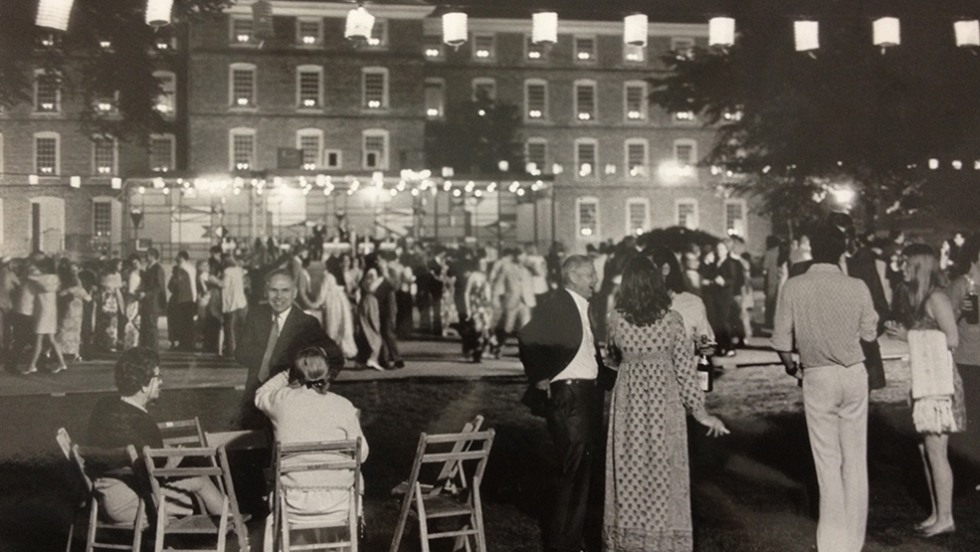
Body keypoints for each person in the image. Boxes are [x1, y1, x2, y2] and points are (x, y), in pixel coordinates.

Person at [603, 255, 728, 552]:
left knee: (629, 469)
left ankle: (629, 541)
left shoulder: (616, 319)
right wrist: (701, 413)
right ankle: (662, 540)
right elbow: (685, 371)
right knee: (662, 471)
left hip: (629, 407)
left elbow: (612, 357)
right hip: (664, 404)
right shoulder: (673, 321)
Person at [772, 224, 878, 552]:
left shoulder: (794, 286)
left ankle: (833, 544)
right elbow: (870, 334)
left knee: (827, 461)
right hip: (853, 374)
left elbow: (780, 340)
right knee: (855, 458)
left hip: (817, 374)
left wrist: (792, 366)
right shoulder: (856, 285)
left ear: (812, 250)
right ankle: (853, 542)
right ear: (842, 250)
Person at [517, 255, 604, 552]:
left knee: (581, 469)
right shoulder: (558, 303)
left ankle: (570, 540)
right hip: (570, 397)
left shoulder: (580, 305)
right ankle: (563, 544)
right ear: (574, 277)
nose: (595, 280)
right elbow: (527, 337)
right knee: (574, 469)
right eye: (590, 275)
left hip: (585, 394)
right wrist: (539, 375)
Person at [86, 347, 226, 524]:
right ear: (143, 385)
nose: (161, 382)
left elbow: (129, 450)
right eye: (157, 377)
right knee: (200, 482)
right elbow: (156, 476)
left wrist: (160, 452)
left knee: (193, 483)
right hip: (133, 504)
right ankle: (238, 533)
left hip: (103, 498)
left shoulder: (104, 406)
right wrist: (173, 461)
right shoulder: (143, 422)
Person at [885, 244, 964, 537]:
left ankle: (946, 518)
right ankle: (937, 513)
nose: (901, 268)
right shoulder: (920, 299)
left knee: (936, 452)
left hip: (940, 387)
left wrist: (910, 335)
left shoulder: (937, 297)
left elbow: (953, 339)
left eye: (906, 264)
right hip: (925, 381)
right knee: (925, 451)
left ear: (920, 266)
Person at [254, 347, 368, 525]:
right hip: (339, 503)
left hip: (292, 504)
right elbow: (362, 454)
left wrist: (286, 374)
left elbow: (260, 394)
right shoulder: (343, 406)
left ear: (296, 374)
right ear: (328, 374)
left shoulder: (281, 401)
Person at [236, 269, 340, 428]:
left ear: (295, 293)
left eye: (285, 290)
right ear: (266, 292)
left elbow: (336, 356)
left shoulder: (306, 323)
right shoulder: (256, 316)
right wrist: (267, 354)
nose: (279, 296)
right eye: (273, 290)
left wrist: (319, 383)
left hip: (288, 400)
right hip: (254, 396)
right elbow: (240, 354)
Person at [949, 234, 980, 477]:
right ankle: (971, 469)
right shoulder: (961, 285)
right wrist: (961, 310)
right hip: (967, 360)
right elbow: (946, 321)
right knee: (971, 416)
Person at [25, 258, 69, 374]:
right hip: (51, 310)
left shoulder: (42, 277)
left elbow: (29, 276)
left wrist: (31, 265)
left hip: (43, 311)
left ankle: (32, 365)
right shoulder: (55, 278)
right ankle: (62, 363)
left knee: (39, 339)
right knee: (51, 339)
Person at [56, 261, 92, 362]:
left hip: (74, 309)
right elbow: (86, 296)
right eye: (72, 270)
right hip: (73, 309)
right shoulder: (74, 284)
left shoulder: (68, 283)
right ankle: (70, 351)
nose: (74, 272)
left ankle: (66, 351)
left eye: (76, 270)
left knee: (67, 329)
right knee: (70, 330)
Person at [220, 253, 248, 358]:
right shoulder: (238, 270)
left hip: (232, 303)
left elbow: (224, 284)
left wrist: (213, 279)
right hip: (241, 302)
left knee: (230, 328)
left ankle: (231, 350)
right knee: (239, 328)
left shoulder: (227, 271)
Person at [139, 248, 167, 351]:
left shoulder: (158, 269)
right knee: (146, 326)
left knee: (151, 327)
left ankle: (154, 350)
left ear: (153, 256)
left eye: (147, 255)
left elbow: (158, 287)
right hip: (148, 303)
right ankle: (147, 349)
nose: (145, 257)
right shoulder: (149, 268)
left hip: (153, 303)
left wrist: (146, 294)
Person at [98, 259, 125, 352]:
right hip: (108, 300)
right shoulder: (107, 275)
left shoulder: (117, 275)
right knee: (106, 322)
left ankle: (110, 343)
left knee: (112, 322)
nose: (121, 266)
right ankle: (106, 342)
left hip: (112, 300)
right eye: (120, 264)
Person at [121, 255, 142, 350]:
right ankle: (130, 345)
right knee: (131, 320)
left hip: (138, 300)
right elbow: (128, 289)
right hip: (131, 300)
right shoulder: (130, 274)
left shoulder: (142, 273)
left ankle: (136, 343)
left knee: (137, 322)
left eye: (136, 262)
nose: (135, 265)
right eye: (133, 263)